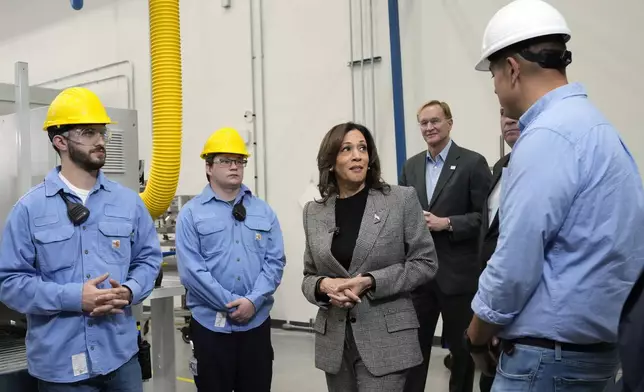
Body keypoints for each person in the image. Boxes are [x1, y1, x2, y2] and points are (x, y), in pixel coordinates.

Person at [464, 1, 644, 390]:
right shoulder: (597, 128)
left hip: (546, 362)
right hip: (595, 353)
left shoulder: (546, 138)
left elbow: (514, 263)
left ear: (511, 69)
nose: (494, 86)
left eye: (492, 74)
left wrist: (476, 335)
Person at [0, 87, 162, 391]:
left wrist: (130, 291)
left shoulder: (128, 202)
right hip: (60, 367)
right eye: (89, 132)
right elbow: (9, 283)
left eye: (102, 133)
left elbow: (148, 259)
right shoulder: (29, 209)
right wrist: (75, 297)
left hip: (120, 359)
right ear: (60, 141)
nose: (100, 141)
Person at [301, 122, 438, 392]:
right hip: (336, 343)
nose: (357, 155)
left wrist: (371, 281)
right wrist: (322, 286)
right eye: (346, 149)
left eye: (362, 148)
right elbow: (308, 276)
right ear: (330, 161)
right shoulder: (313, 212)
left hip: (386, 340)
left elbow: (426, 263)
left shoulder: (400, 200)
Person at [176, 127, 286, 392]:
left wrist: (252, 301)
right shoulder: (191, 214)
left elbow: (275, 261)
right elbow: (192, 271)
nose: (234, 167)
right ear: (209, 167)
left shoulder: (263, 210)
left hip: (256, 324)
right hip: (210, 327)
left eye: (239, 161)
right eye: (226, 161)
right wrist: (230, 304)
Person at [399, 100, 491, 392]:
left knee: (462, 354)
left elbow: (485, 219)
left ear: (450, 123)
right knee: (413, 352)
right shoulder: (411, 166)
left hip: (458, 277)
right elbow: (402, 213)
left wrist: (447, 223)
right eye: (424, 123)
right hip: (420, 278)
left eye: (435, 121)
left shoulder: (473, 163)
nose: (429, 128)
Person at [476, 107, 520, 392]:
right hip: (491, 292)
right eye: (503, 113)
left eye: (517, 112)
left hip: (519, 302)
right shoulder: (500, 165)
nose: (509, 120)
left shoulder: (543, 166)